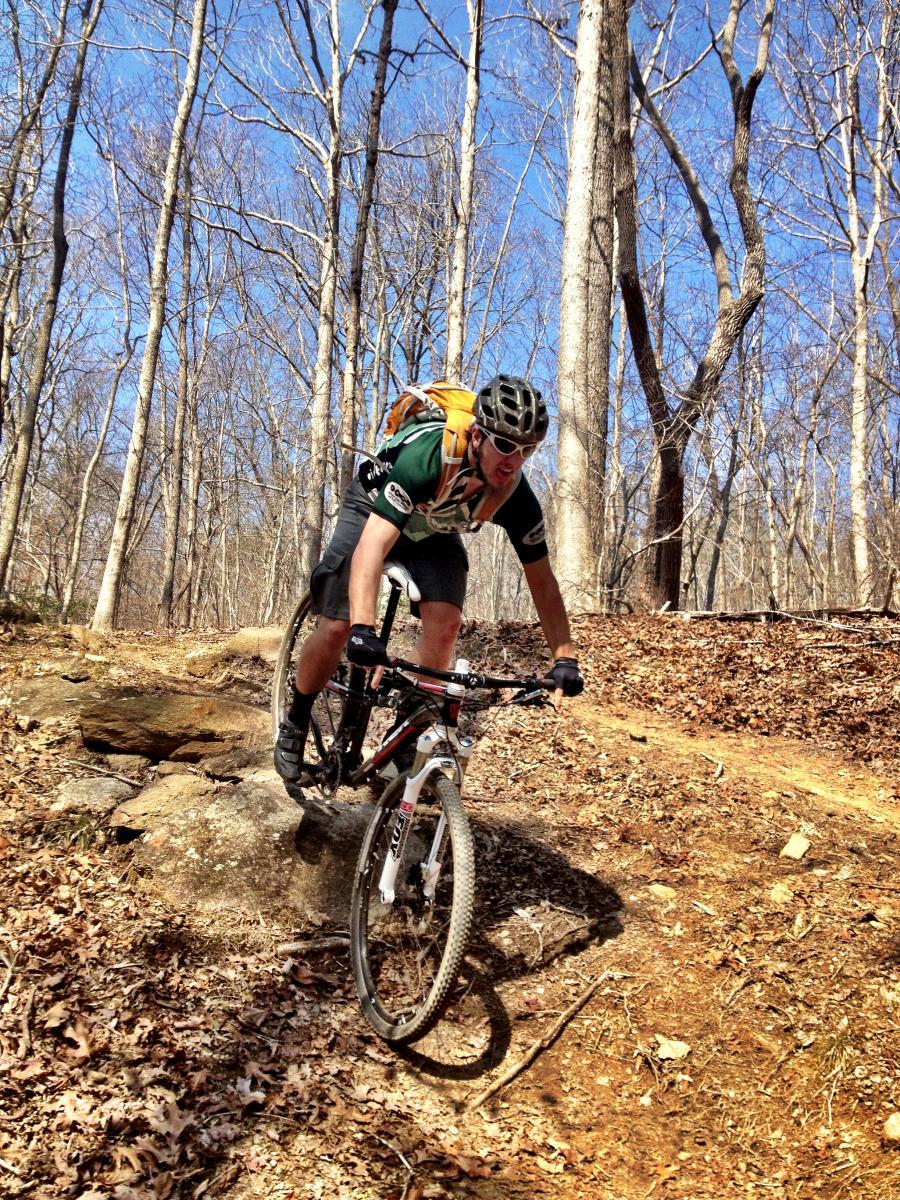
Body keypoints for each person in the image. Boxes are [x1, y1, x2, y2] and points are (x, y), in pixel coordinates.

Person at [274, 374, 584, 784]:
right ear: (476, 435)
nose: (513, 460)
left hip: (432, 527)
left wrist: (564, 656)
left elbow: (542, 581)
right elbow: (371, 546)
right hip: (372, 510)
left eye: (527, 450)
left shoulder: (515, 496)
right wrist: (364, 629)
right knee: (338, 626)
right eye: (505, 445)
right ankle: (295, 719)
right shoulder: (426, 458)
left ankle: (406, 731)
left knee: (446, 623)